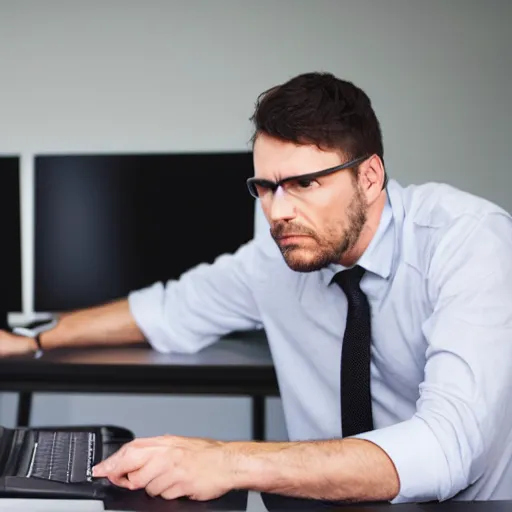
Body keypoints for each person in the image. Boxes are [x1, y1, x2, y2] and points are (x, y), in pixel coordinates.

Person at [2, 72, 512, 504]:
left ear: (371, 177)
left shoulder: (468, 241)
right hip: (325, 506)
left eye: (304, 184)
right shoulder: (280, 256)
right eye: (265, 187)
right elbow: (168, 309)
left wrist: (230, 460)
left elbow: (450, 446)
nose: (278, 211)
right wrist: (36, 340)